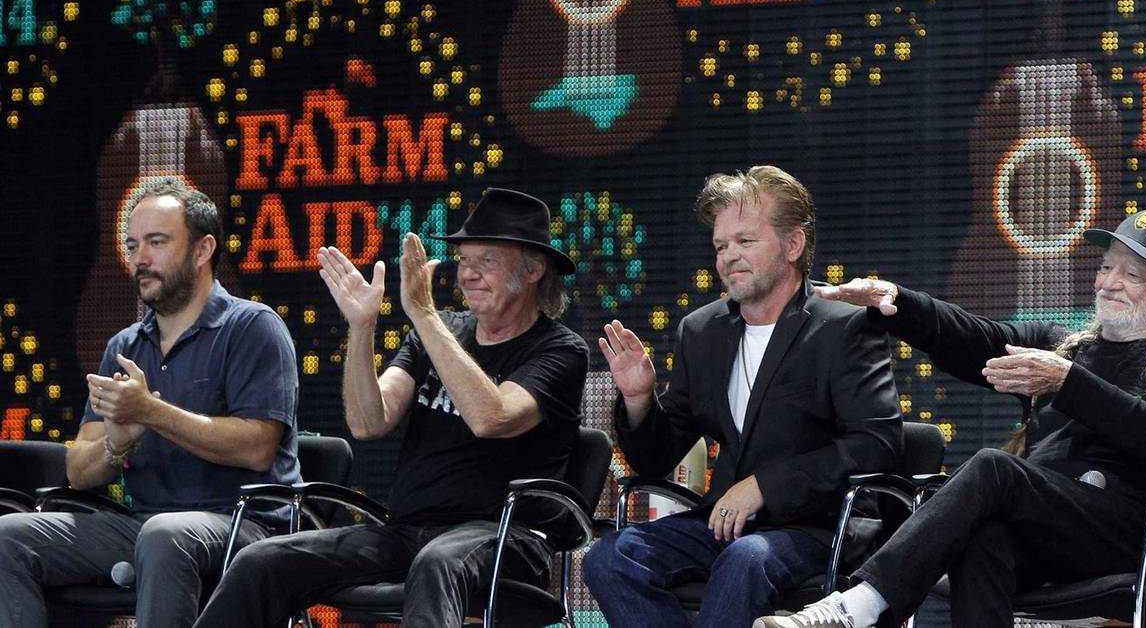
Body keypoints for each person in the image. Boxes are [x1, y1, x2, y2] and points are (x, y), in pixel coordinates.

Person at [755, 207, 1146, 628]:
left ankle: (856, 606)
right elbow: (974, 338)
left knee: (994, 468)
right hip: (1052, 531)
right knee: (984, 537)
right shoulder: (1067, 344)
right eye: (1105, 267)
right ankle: (862, 604)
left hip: (1136, 532)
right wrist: (896, 302)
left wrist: (1068, 382)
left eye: (1132, 274)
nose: (1107, 282)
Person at [194, 187, 589, 627]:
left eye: (487, 262)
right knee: (263, 560)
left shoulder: (559, 350)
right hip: (406, 531)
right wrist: (361, 327)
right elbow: (368, 420)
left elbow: (491, 417)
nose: (468, 275)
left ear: (533, 269)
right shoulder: (441, 332)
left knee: (438, 562)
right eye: (463, 261)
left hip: (505, 537)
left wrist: (422, 313)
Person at [582, 166, 902, 626]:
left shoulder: (843, 327)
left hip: (820, 525)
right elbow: (657, 458)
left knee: (746, 559)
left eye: (745, 242)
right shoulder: (702, 330)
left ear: (793, 246)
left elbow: (877, 444)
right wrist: (638, 398)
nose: (728, 257)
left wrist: (764, 487)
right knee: (611, 557)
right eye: (720, 246)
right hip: (725, 524)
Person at [0, 177, 301, 628]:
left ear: (202, 251)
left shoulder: (253, 328)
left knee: (165, 536)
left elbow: (257, 447)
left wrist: (150, 412)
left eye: (156, 243)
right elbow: (79, 472)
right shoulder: (125, 346)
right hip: (144, 525)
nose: (140, 259)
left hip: (245, 527)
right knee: (7, 537)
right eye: (133, 244)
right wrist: (116, 446)